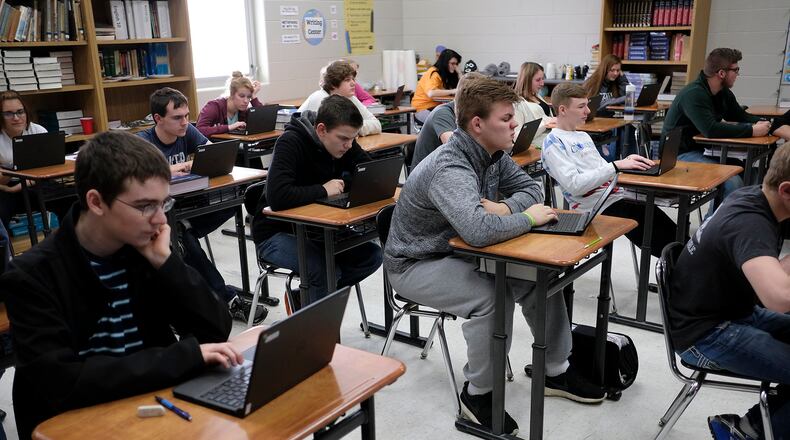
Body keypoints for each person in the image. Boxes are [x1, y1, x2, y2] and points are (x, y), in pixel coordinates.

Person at [384, 77, 606, 435]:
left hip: (459, 252)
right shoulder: (451, 166)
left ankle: (555, 371)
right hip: (416, 263)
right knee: (491, 297)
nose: (515, 125)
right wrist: (526, 217)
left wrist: (502, 209)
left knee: (539, 277)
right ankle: (478, 395)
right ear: (477, 124)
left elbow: (531, 187)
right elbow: (479, 231)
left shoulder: (491, 155)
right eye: (506, 119)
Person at [0, 131, 241, 439]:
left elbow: (215, 329)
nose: (160, 220)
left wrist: (167, 264)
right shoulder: (32, 275)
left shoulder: (143, 249)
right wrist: (185, 357)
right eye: (145, 206)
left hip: (156, 408)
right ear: (96, 202)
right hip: (78, 424)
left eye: (163, 203)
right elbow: (65, 382)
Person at [668, 143, 790, 440]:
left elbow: (772, 276)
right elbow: (779, 298)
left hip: (733, 312)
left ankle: (752, 427)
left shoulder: (755, 195)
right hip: (705, 335)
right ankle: (749, 433)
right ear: (787, 190)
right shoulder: (750, 223)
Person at [138, 87, 265, 323]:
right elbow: (143, 173)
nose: (185, 122)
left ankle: (184, 228)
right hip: (157, 215)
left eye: (187, 116)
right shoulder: (143, 142)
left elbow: (212, 152)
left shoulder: (188, 131)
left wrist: (196, 162)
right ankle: (227, 300)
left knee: (232, 203)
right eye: (177, 118)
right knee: (185, 240)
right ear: (158, 119)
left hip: (187, 206)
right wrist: (177, 167)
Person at [253, 95, 382, 304]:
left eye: (353, 139)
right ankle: (316, 328)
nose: (349, 145)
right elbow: (277, 197)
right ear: (321, 130)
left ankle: (306, 300)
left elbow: (369, 174)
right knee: (320, 268)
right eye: (344, 139)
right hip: (275, 234)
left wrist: (349, 181)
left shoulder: (342, 142)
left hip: (318, 230)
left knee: (371, 256)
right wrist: (323, 190)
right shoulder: (291, 142)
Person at [542, 82, 677, 258]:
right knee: (662, 236)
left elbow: (602, 170)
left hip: (616, 196)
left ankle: (687, 262)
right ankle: (680, 270)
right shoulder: (553, 143)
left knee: (665, 226)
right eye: (581, 106)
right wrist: (616, 166)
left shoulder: (582, 135)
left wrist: (625, 162)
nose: (588, 111)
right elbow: (575, 185)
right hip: (597, 207)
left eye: (587, 105)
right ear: (562, 110)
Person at [662, 48, 770, 215]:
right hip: (679, 155)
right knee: (732, 181)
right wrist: (751, 130)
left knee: (750, 172)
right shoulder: (694, 94)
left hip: (703, 150)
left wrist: (765, 124)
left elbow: (740, 115)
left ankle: (731, 225)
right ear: (721, 73)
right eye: (735, 70)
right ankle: (709, 235)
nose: (737, 74)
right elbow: (710, 129)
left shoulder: (722, 93)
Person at [411, 72, 484, 168]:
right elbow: (455, 149)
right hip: (431, 176)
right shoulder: (442, 114)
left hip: (448, 168)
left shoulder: (471, 114)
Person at [0, 91, 48, 230]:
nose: (16, 118)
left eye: (20, 112)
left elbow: (47, 169)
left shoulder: (38, 131)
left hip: (35, 182)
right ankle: (7, 251)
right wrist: (14, 172)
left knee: (69, 198)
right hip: (6, 189)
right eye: (8, 113)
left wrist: (18, 186)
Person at [298, 60, 381, 136]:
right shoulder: (319, 99)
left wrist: (354, 128)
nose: (353, 83)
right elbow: (325, 134)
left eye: (353, 79)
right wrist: (351, 129)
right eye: (347, 80)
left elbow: (376, 124)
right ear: (333, 84)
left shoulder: (350, 97)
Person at [582, 54, 634, 160]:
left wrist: (622, 78)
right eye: (612, 70)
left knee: (629, 130)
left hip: (610, 122)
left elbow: (628, 96)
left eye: (618, 70)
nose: (615, 73)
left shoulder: (615, 83)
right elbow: (599, 105)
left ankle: (630, 163)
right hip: (594, 123)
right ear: (604, 69)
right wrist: (619, 100)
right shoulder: (592, 83)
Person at [196, 71, 264, 137]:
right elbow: (199, 130)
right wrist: (230, 127)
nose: (246, 101)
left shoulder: (243, 110)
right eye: (241, 96)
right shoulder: (213, 107)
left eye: (249, 97)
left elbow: (264, 120)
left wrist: (254, 97)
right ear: (232, 94)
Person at [513, 62, 556, 148]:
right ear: (526, 80)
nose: (542, 83)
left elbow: (545, 116)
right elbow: (517, 136)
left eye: (542, 79)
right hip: (535, 147)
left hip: (548, 139)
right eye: (538, 80)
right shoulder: (517, 103)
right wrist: (546, 123)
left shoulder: (536, 95)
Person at [412, 48, 461, 122]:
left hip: (436, 108)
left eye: (456, 64)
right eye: (452, 63)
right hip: (422, 109)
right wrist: (453, 91)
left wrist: (459, 73)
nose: (455, 66)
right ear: (445, 62)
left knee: (457, 119)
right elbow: (431, 93)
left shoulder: (445, 74)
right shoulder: (433, 73)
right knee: (446, 122)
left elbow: (462, 86)